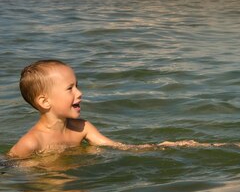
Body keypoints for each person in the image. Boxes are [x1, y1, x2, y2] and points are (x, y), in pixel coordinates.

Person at [8, 60, 151, 159]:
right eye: (70, 88)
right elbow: (8, 167)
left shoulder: (82, 128)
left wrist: (155, 147)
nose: (79, 93)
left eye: (77, 86)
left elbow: (117, 147)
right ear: (45, 101)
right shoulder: (32, 142)